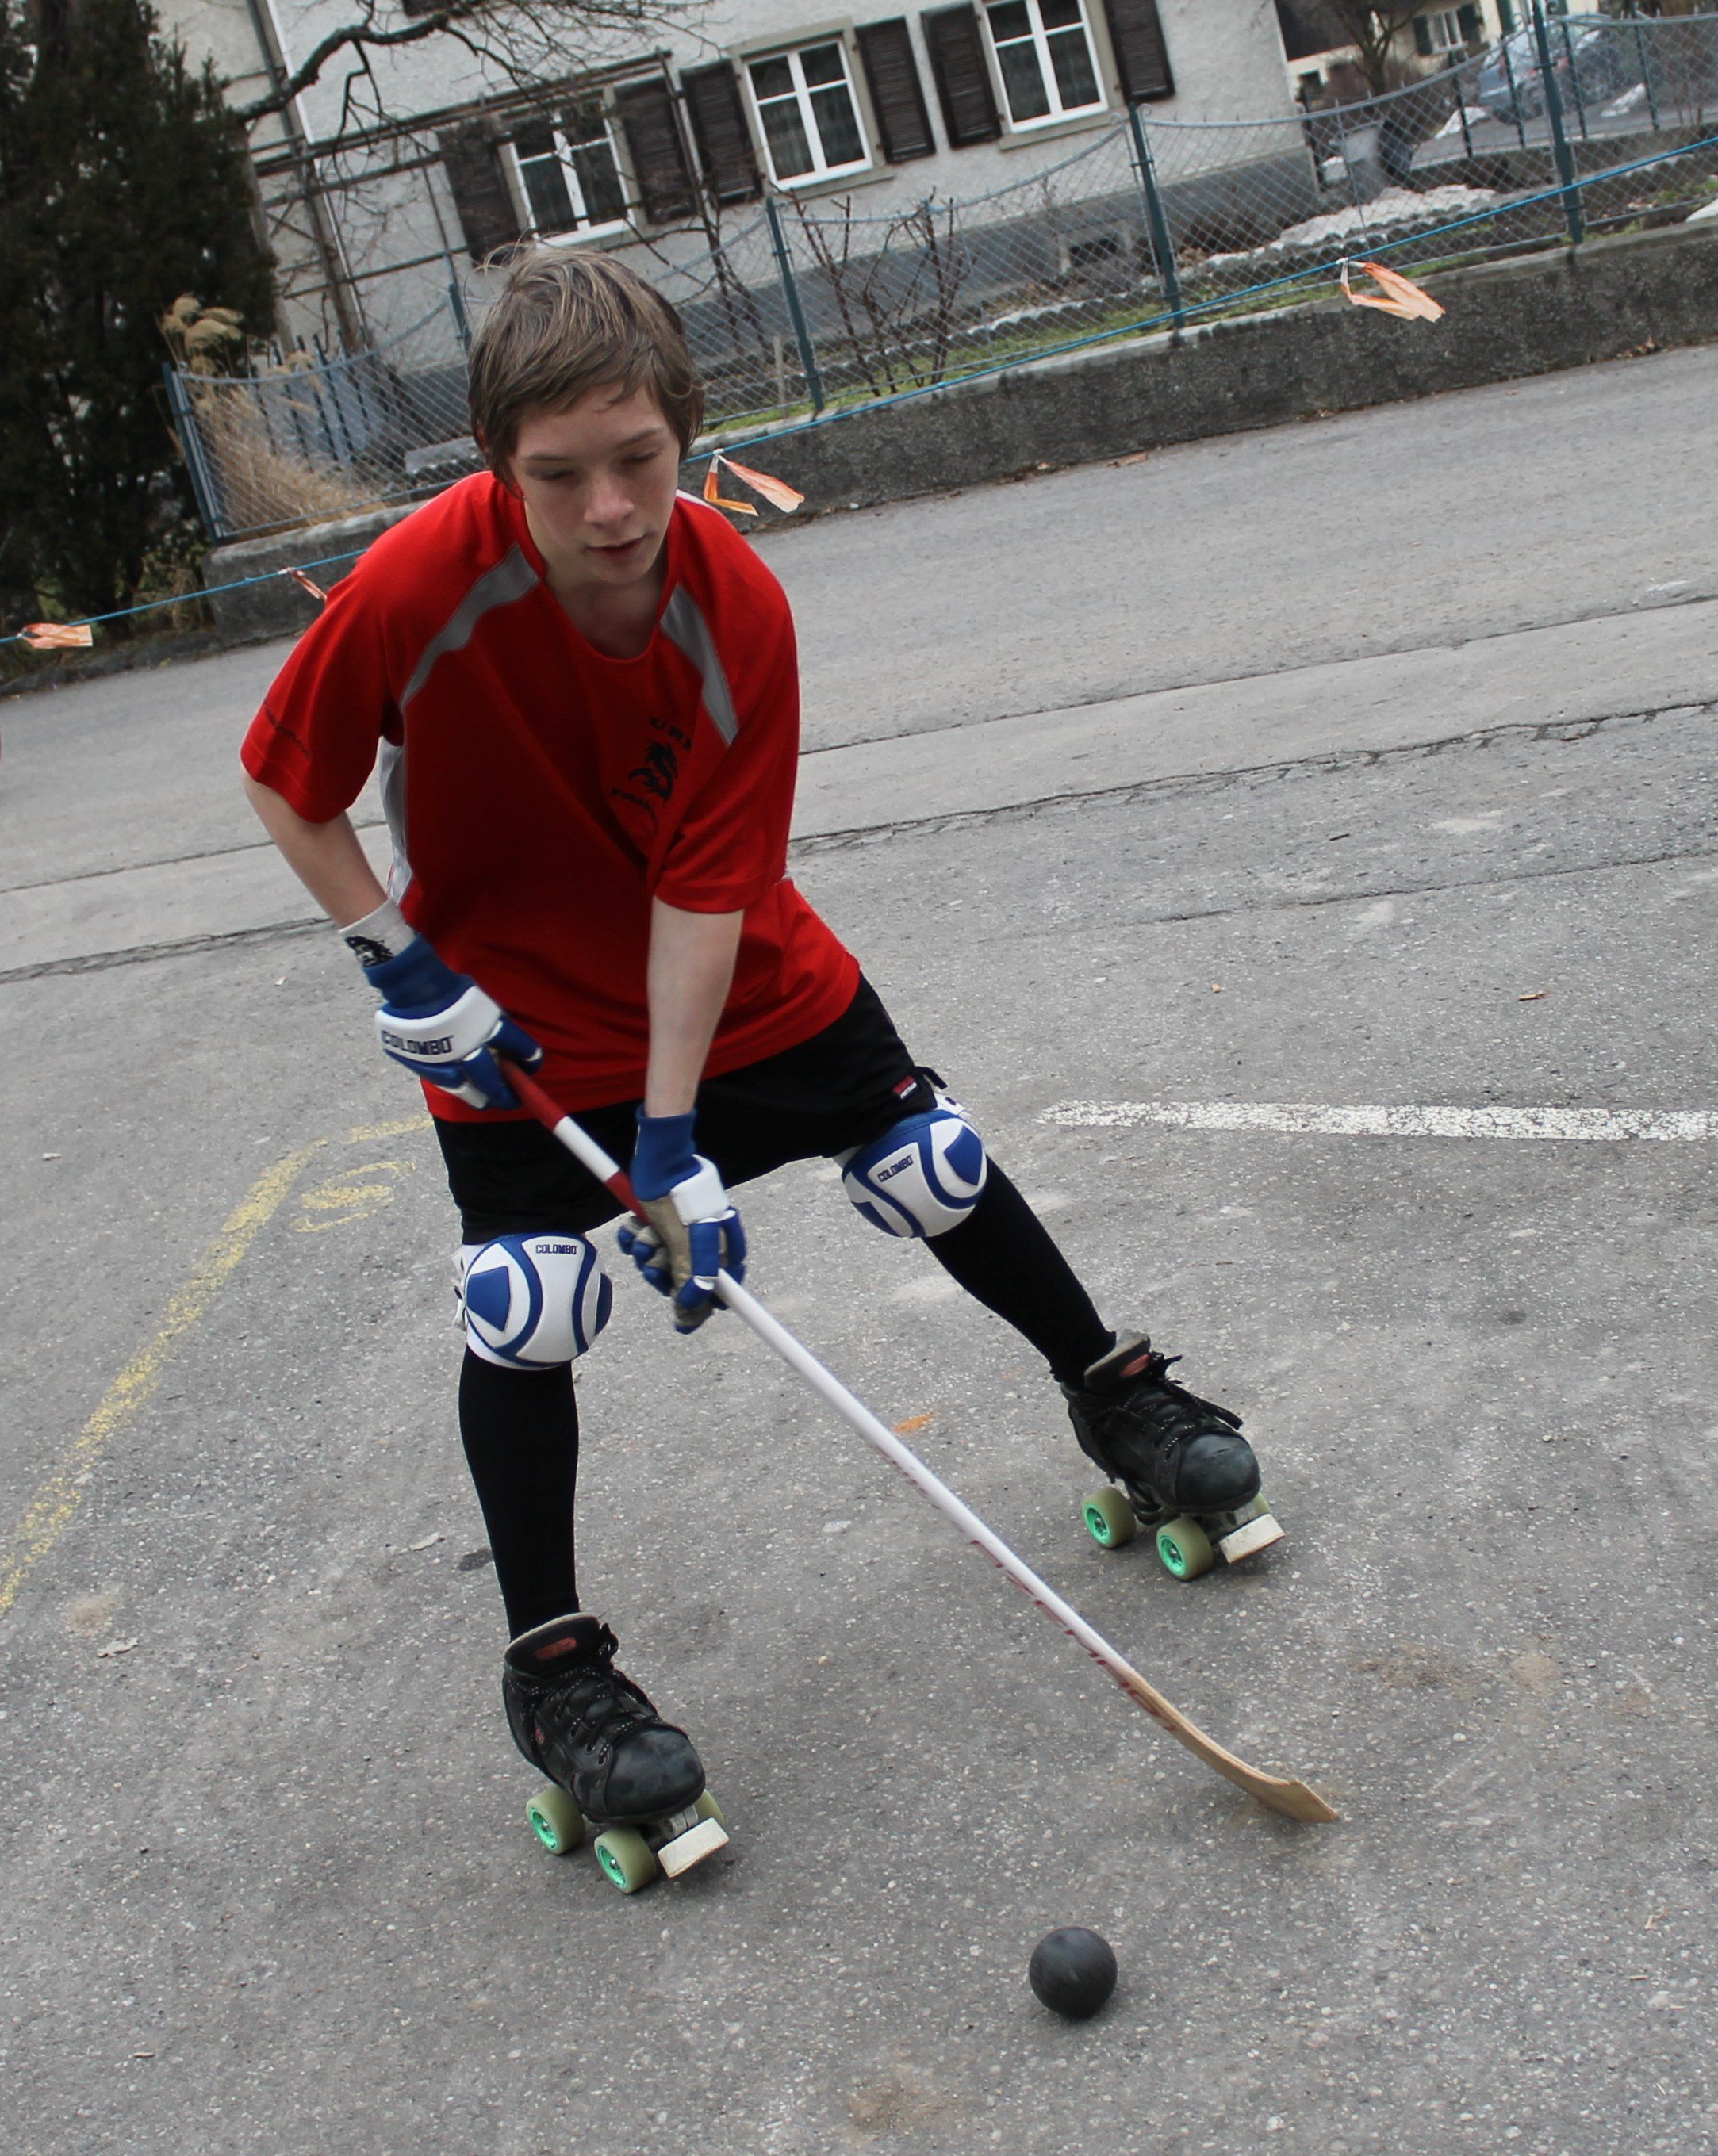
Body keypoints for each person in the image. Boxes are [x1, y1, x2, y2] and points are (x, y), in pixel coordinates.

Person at [238, 247, 1274, 1857]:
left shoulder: (735, 606)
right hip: (507, 1010)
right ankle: (556, 1671)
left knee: (928, 1161)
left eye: (637, 460)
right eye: (557, 474)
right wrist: (397, 953)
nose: (606, 509)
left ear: (687, 434)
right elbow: (285, 780)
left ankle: (1115, 1395)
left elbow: (703, 888)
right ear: (493, 462)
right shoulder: (418, 584)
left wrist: (670, 1141)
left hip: (728, 970)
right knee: (528, 1300)